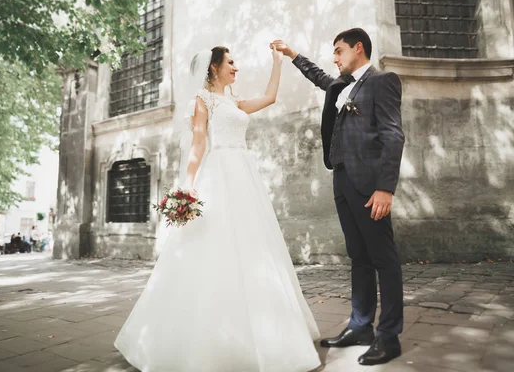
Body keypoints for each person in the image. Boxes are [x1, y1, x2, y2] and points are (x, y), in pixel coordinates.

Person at [114, 46, 321, 371]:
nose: (236, 67)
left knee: (253, 245)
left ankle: (262, 330)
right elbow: (198, 142)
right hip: (219, 171)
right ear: (214, 68)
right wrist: (188, 184)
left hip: (243, 173)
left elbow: (269, 98)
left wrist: (277, 64)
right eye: (231, 62)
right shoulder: (204, 100)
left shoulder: (234, 102)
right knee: (215, 246)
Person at [272, 28, 405, 366]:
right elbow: (319, 75)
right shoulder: (339, 85)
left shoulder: (382, 81)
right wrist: (292, 55)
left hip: (370, 185)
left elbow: (393, 135)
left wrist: (385, 188)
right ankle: (361, 327)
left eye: (339, 51)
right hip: (342, 179)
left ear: (358, 49)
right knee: (358, 257)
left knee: (383, 259)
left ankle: (388, 336)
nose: (335, 57)